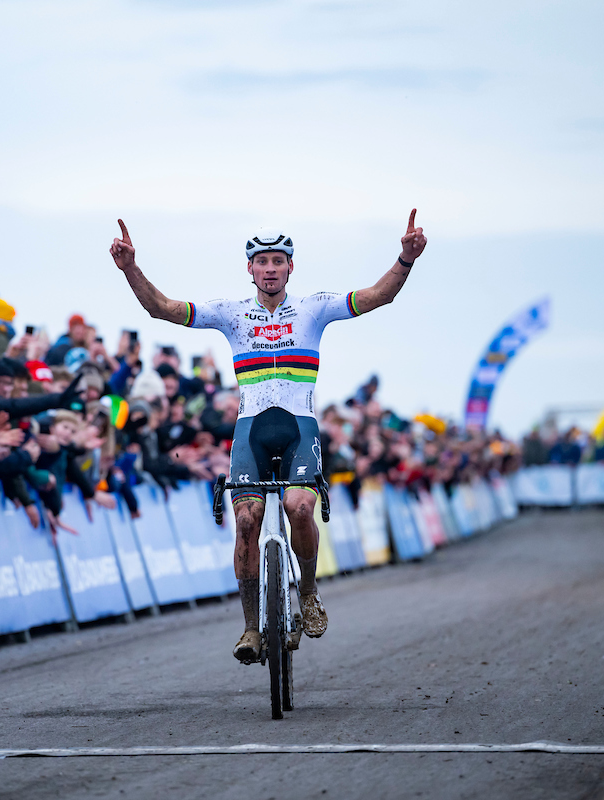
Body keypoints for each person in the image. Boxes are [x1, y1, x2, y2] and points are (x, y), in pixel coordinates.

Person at [110, 211, 427, 663]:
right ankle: (250, 629)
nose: (272, 268)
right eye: (263, 261)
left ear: (291, 267)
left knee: (300, 506)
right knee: (245, 521)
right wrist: (131, 271)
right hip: (251, 429)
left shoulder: (314, 308)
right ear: (251, 269)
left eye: (279, 260)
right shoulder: (232, 314)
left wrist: (405, 259)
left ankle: (310, 594)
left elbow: (377, 297)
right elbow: (162, 309)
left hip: (299, 425)